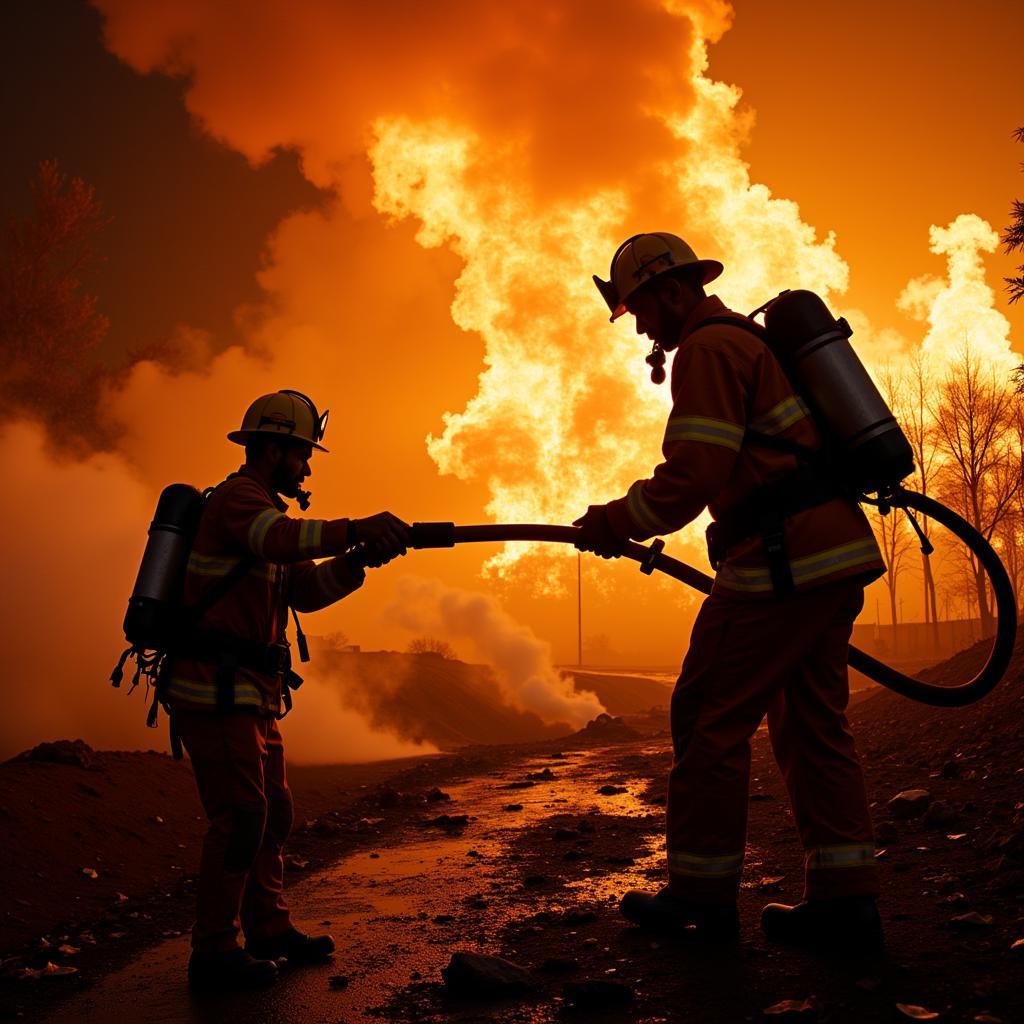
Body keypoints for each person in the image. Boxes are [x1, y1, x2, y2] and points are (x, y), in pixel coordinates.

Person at [575, 233, 886, 948]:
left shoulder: (708, 350)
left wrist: (614, 522)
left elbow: (692, 477)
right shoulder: (747, 341)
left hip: (780, 568)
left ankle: (700, 899)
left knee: (708, 715)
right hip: (830, 556)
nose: (642, 327)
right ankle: (847, 906)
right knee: (813, 726)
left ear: (674, 291)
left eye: (641, 309)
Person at [162, 389, 411, 991]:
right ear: (272, 448)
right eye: (302, 454)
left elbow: (306, 592)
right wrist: (357, 526)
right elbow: (284, 540)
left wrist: (357, 562)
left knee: (273, 814)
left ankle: (268, 928)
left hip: (252, 692)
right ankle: (214, 949)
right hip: (215, 692)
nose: (307, 467)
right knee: (242, 816)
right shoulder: (240, 502)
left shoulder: (265, 512)